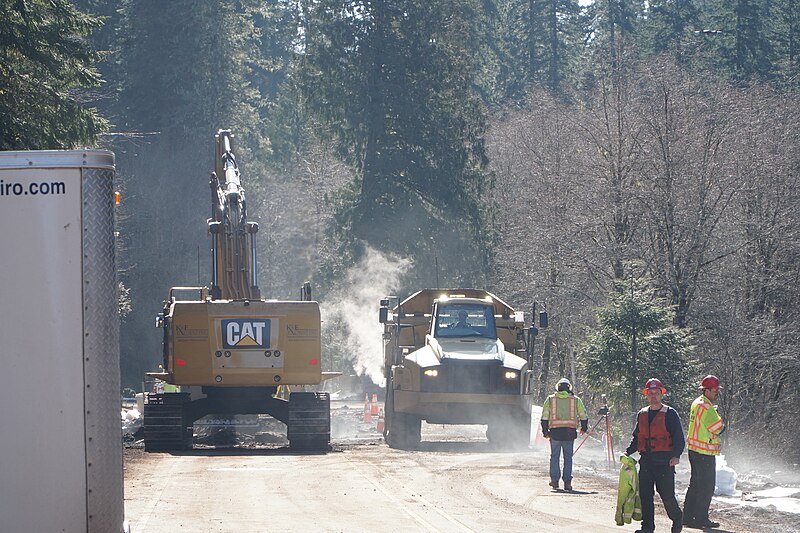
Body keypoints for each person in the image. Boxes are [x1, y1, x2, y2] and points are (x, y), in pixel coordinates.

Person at [625, 378, 684, 533]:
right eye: (650, 393)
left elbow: (679, 437)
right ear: (646, 395)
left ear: (661, 394)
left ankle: (677, 519)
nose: (653, 396)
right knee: (645, 496)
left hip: (665, 462)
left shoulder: (670, 414)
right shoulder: (642, 414)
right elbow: (637, 437)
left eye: (656, 393)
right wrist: (627, 452)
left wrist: (676, 455)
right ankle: (647, 528)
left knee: (667, 497)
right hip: (646, 462)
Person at [683, 375, 725, 529]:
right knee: (706, 486)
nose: (717, 393)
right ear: (706, 390)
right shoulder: (707, 407)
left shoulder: (697, 403)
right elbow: (718, 428)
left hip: (694, 450)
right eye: (715, 390)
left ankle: (686, 517)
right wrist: (719, 418)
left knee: (695, 484)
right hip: (704, 452)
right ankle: (701, 519)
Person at [540, 378, 588, 491]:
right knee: (568, 458)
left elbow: (545, 416)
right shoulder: (575, 400)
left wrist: (545, 431)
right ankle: (567, 482)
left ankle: (555, 481)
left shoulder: (550, 399)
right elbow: (583, 414)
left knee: (554, 457)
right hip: (569, 433)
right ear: (569, 387)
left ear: (558, 387)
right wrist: (584, 428)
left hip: (555, 432)